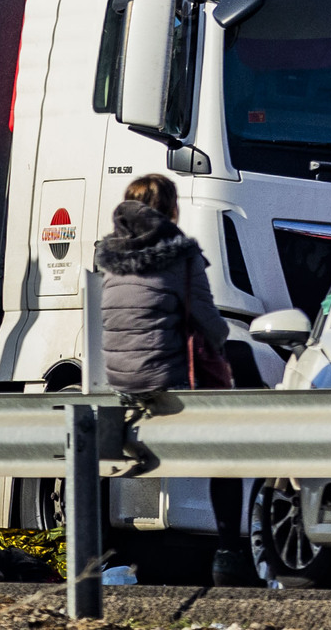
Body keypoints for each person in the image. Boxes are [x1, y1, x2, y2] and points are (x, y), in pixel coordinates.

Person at [93, 173, 246, 587]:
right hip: (168, 381)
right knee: (231, 444)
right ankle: (230, 552)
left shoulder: (109, 257)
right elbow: (209, 322)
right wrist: (223, 339)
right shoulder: (181, 253)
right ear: (171, 209)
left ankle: (102, 557)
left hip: (121, 382)